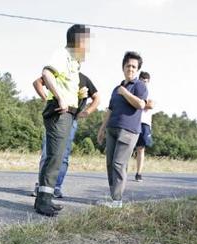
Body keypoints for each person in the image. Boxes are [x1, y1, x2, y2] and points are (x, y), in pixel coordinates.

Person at [35, 24, 91, 217]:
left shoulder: (74, 63)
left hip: (67, 114)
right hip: (59, 112)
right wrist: (59, 97)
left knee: (56, 158)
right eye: (87, 42)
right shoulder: (62, 54)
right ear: (78, 41)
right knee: (54, 157)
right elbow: (46, 73)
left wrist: (78, 94)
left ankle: (46, 198)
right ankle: (43, 202)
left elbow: (63, 83)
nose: (88, 47)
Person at [31, 72, 100, 199]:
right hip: (56, 117)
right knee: (48, 152)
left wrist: (86, 112)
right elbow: (37, 83)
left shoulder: (84, 79)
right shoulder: (60, 73)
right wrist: (47, 99)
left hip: (72, 119)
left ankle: (56, 187)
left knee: (64, 155)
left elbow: (97, 97)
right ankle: (42, 186)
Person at [96, 52, 148, 208]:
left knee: (119, 164)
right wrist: (101, 129)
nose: (130, 69)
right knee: (110, 164)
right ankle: (113, 197)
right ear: (123, 67)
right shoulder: (116, 89)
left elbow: (141, 105)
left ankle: (117, 201)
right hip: (112, 128)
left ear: (138, 69)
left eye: (134, 66)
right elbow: (110, 110)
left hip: (129, 130)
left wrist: (125, 93)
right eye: (128, 66)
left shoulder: (140, 85)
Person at [133, 71, 154, 182]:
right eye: (142, 81)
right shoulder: (135, 91)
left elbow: (150, 105)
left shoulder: (150, 92)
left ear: (148, 82)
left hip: (144, 123)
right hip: (133, 121)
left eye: (146, 81)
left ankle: (139, 173)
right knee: (128, 147)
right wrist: (141, 103)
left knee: (141, 149)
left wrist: (139, 103)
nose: (144, 83)